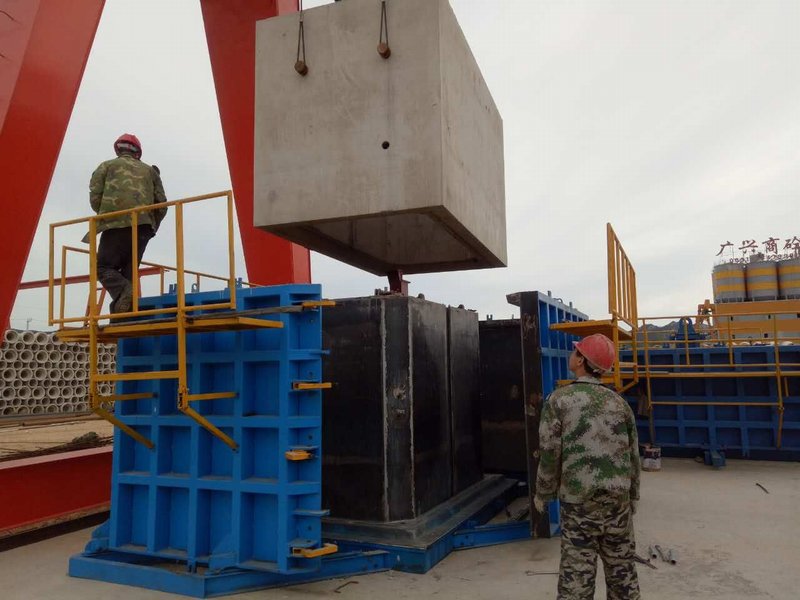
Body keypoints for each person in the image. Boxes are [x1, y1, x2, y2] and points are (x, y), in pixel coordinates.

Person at [534, 333, 641, 600]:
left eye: (576, 352)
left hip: (579, 504)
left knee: (577, 577)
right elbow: (633, 456)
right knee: (622, 574)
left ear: (581, 361)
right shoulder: (619, 404)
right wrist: (633, 495)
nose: (572, 355)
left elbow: (549, 452)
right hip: (617, 503)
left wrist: (543, 493)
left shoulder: (559, 401)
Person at [88, 133, 167, 315]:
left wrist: (107, 215)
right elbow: (162, 204)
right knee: (129, 273)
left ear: (118, 149)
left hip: (115, 223)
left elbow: (95, 197)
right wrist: (152, 226)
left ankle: (124, 296)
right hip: (143, 226)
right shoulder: (150, 171)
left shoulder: (106, 166)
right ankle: (121, 316)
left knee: (103, 268)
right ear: (137, 152)